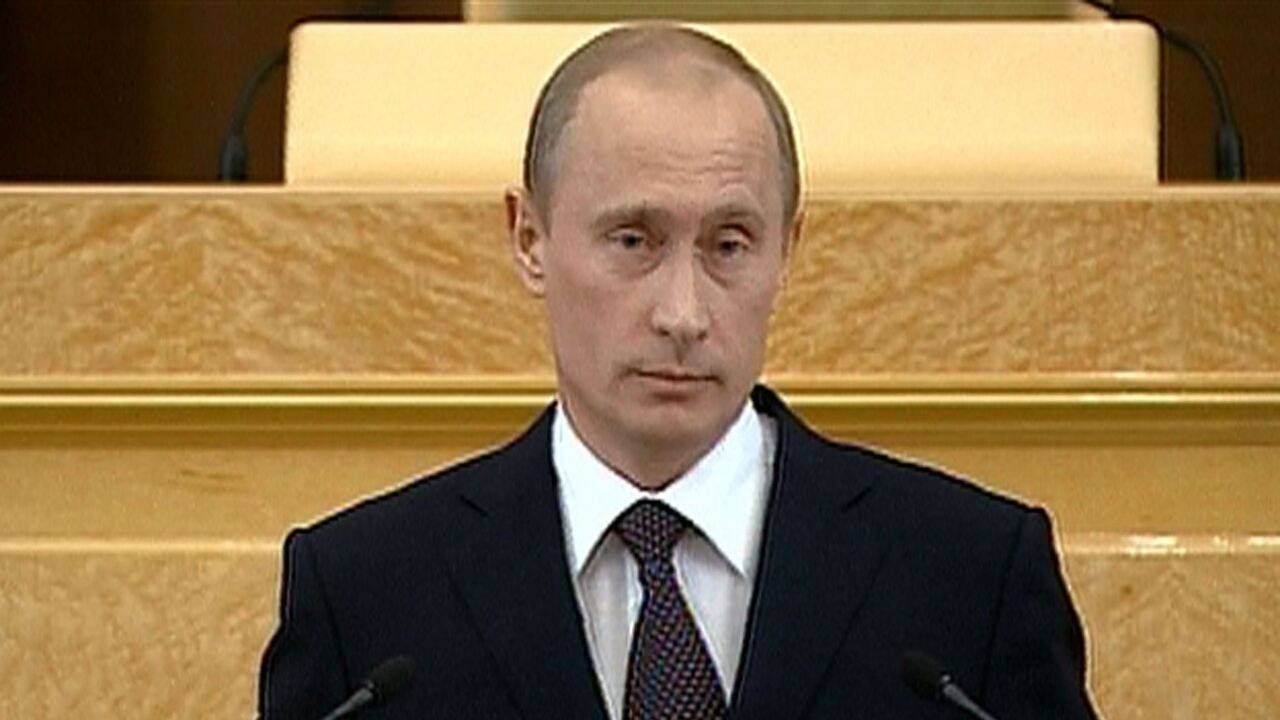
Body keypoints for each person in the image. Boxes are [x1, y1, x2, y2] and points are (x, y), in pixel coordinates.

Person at [258, 24, 1098, 720]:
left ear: (787, 251)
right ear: (529, 239)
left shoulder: (969, 577)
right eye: (634, 241)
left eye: (729, 245)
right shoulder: (366, 595)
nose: (683, 313)